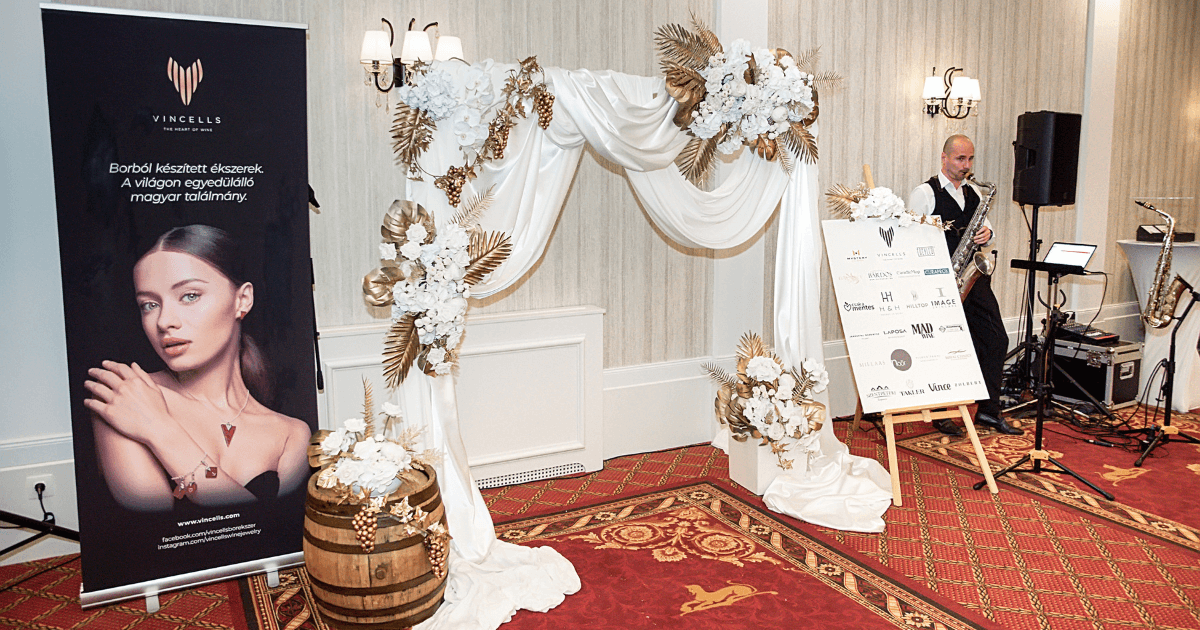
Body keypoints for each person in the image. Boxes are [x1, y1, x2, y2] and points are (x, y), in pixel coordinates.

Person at [84, 224, 312, 511]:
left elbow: (274, 525)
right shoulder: (125, 396)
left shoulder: (292, 434)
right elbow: (155, 522)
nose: (165, 321)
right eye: (149, 305)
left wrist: (160, 430)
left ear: (242, 300)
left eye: (190, 296)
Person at [907, 135, 1021, 436]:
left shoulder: (974, 192)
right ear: (944, 158)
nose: (966, 165)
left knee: (996, 340)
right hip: (939, 282)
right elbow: (911, 239)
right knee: (943, 348)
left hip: (973, 278)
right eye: (960, 159)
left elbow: (986, 228)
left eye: (970, 159)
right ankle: (940, 413)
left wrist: (987, 233)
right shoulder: (924, 193)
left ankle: (989, 411)